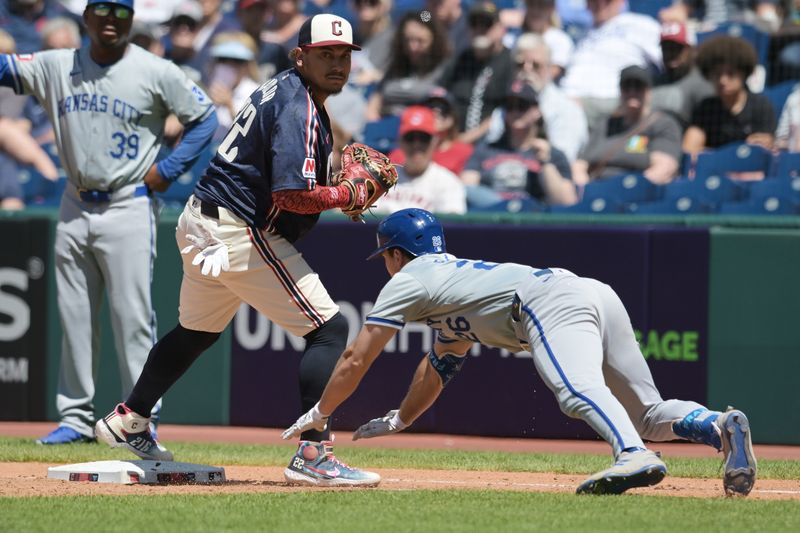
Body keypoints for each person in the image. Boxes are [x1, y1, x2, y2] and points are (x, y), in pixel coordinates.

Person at [283, 207, 758, 497]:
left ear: (395, 253)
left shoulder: (410, 278)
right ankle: (719, 425)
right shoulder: (450, 285)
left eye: (384, 256)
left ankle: (633, 455)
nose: (383, 265)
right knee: (649, 413)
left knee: (576, 393)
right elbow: (439, 365)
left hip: (549, 301)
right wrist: (401, 419)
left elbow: (355, 358)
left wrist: (320, 412)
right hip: (591, 292)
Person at [94, 13, 381, 488]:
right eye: (325, 54)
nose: (336, 63)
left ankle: (129, 419)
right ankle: (313, 452)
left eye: (343, 55)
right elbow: (291, 195)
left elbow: (282, 179)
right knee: (329, 330)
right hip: (235, 228)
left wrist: (331, 189)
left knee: (196, 332)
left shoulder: (282, 88)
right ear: (300, 55)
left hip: (202, 220)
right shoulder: (300, 107)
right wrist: (343, 195)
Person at [0, 0, 219, 444]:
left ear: (131, 19)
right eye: (102, 11)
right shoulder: (55, 65)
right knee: (75, 316)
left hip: (128, 203)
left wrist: (170, 168)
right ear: (86, 17)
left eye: (120, 13)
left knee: (132, 317)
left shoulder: (154, 69)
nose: (110, 20)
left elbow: (205, 117)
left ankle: (139, 420)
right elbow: (6, 69)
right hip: (74, 202)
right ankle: (76, 418)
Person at [462, 80, 577, 208]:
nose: (515, 112)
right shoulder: (485, 149)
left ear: (537, 111)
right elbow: (467, 189)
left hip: (533, 221)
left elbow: (566, 201)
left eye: (522, 106)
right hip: (493, 218)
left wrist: (545, 162)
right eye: (509, 106)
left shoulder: (554, 154)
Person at [485, 33, 588, 162]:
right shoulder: (505, 108)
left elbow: (562, 162)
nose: (527, 70)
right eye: (520, 65)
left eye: (536, 65)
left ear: (550, 69)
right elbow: (489, 152)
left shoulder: (566, 110)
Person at [559, 0, 662, 128]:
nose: (600, 3)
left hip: (611, 100)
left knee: (565, 112)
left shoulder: (638, 24)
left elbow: (671, 58)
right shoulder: (582, 37)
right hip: (568, 101)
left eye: (607, 1)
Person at [573, 66, 682, 186]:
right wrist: (584, 188)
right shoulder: (606, 125)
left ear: (648, 91)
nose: (632, 92)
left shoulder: (662, 124)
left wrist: (630, 189)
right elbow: (580, 164)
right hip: (597, 189)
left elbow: (664, 168)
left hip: (636, 192)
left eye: (638, 86)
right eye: (626, 87)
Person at [682, 35, 776, 154]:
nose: (723, 80)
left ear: (744, 73)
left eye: (730, 74)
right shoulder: (705, 108)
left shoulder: (761, 106)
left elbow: (764, 149)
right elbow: (690, 148)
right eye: (717, 74)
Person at [438, 1, 515, 143]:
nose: (480, 29)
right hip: (451, 141)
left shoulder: (511, 62)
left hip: (492, 144)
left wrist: (465, 140)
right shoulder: (460, 60)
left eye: (487, 24)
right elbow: (440, 97)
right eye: (474, 24)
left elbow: (508, 111)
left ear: (501, 29)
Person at [375, 105, 466, 214]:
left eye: (424, 138)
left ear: (435, 141)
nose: (416, 145)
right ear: (400, 141)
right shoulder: (380, 179)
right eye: (410, 138)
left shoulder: (448, 183)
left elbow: (452, 227)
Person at [365, 10, 451, 121]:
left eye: (420, 41)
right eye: (408, 40)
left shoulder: (444, 68)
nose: (412, 47)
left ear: (434, 40)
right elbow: (376, 100)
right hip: (385, 125)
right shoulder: (395, 66)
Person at [651, 22, 715, 130]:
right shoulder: (651, 83)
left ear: (692, 50)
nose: (671, 53)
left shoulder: (704, 85)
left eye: (677, 48)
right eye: (666, 48)